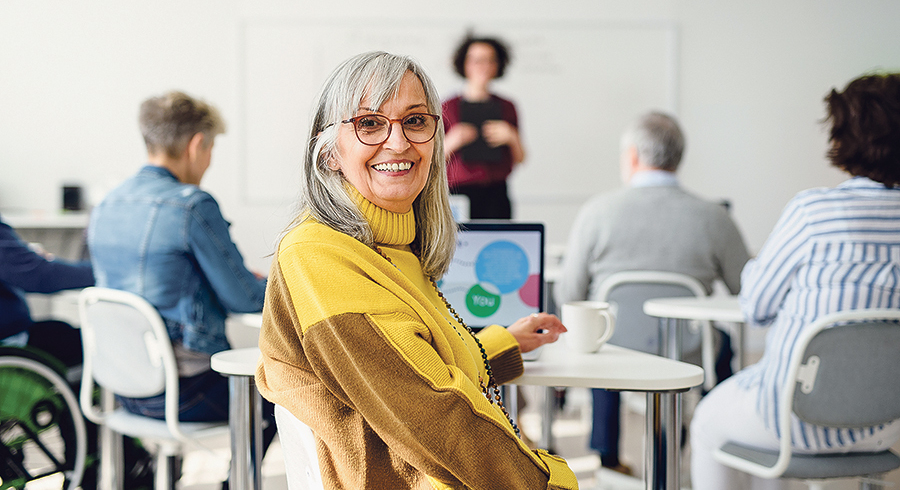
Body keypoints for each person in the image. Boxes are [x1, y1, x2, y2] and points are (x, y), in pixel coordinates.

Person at [255, 51, 577, 489]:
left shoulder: (395, 245)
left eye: (415, 121)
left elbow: (415, 366)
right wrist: (552, 481)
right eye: (369, 123)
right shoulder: (319, 254)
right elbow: (434, 413)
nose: (399, 142)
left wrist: (501, 345)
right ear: (329, 152)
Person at [690, 73, 900, 489]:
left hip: (792, 421)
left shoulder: (813, 212)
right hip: (887, 423)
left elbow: (755, 307)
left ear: (843, 137)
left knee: (707, 420)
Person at [87, 90, 275, 485]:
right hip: (186, 393)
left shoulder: (107, 205)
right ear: (196, 145)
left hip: (123, 386)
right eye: (211, 150)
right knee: (284, 393)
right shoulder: (191, 204)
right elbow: (243, 297)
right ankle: (234, 484)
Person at [555, 111, 750, 475]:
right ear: (679, 157)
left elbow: (570, 293)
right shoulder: (714, 217)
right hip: (689, 350)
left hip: (614, 347)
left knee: (598, 340)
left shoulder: (597, 212)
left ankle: (608, 458)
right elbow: (747, 290)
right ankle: (715, 438)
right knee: (722, 344)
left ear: (631, 156)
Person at [442, 35, 526, 219]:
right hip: (458, 193)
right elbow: (433, 160)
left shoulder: (507, 106)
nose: (483, 66)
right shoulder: (447, 107)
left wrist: (511, 136)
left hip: (496, 193)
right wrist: (452, 141)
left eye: (490, 60)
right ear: (464, 64)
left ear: (498, 65)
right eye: (477, 60)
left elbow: (521, 158)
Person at [0, 214, 93, 367]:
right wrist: (105, 273)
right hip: (10, 344)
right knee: (98, 340)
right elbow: (39, 276)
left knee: (60, 328)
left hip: (12, 334)